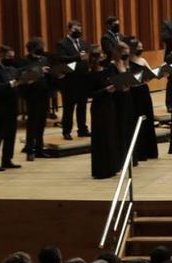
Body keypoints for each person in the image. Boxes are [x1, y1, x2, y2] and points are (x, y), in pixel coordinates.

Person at [0, 45, 22, 171]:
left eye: (12, 57)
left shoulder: (12, 69)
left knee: (10, 136)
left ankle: (7, 159)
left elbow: (17, 85)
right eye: (8, 57)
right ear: (1, 55)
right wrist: (12, 83)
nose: (11, 59)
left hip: (12, 108)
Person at [86, 46, 118, 179]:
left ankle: (111, 167)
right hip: (99, 108)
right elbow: (89, 94)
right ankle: (101, 169)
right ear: (96, 58)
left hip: (109, 106)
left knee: (110, 136)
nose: (104, 56)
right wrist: (106, 90)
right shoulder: (90, 74)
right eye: (101, 55)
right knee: (101, 138)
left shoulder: (107, 71)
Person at [55, 20, 90, 140]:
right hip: (69, 80)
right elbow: (61, 58)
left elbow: (87, 56)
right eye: (76, 29)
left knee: (82, 106)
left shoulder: (83, 42)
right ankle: (66, 131)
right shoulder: (62, 43)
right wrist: (78, 57)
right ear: (69, 30)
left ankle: (82, 129)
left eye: (80, 29)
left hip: (83, 79)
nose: (78, 31)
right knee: (69, 107)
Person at [126, 39, 159, 161]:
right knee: (136, 120)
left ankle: (149, 151)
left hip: (143, 91)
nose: (141, 49)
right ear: (133, 48)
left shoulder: (143, 60)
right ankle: (138, 152)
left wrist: (149, 76)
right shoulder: (126, 62)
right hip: (133, 93)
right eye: (139, 47)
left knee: (147, 119)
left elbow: (150, 75)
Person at [20, 38, 52, 161]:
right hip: (32, 95)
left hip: (44, 94)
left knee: (42, 123)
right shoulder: (24, 61)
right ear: (33, 48)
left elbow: (48, 76)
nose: (42, 48)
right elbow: (24, 77)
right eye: (40, 46)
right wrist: (40, 71)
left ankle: (40, 149)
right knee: (32, 123)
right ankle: (29, 150)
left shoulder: (44, 59)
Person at [110, 42, 136, 173]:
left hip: (127, 97)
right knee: (120, 127)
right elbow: (114, 80)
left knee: (128, 126)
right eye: (124, 52)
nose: (127, 54)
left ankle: (130, 157)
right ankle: (120, 159)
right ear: (118, 52)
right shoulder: (113, 65)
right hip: (118, 99)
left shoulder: (126, 64)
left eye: (128, 52)